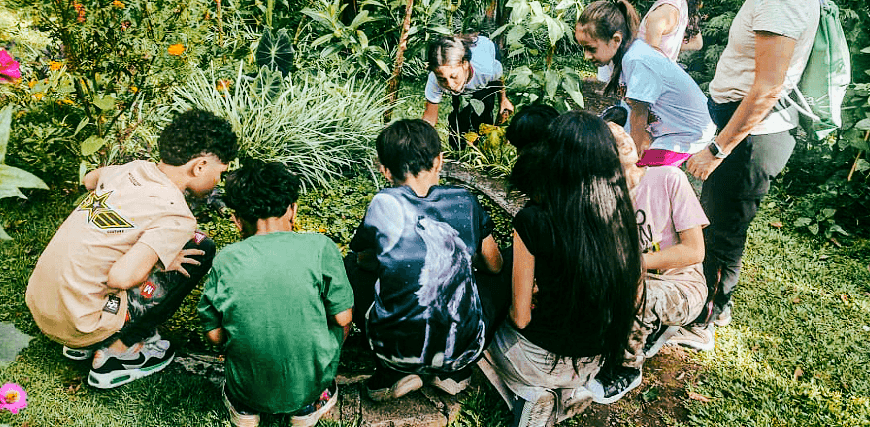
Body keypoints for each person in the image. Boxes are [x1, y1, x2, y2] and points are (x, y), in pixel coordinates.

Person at [674, 0, 822, 350]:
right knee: (718, 218)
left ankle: (705, 320)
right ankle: (709, 306)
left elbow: (766, 88)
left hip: (752, 134)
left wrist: (718, 149)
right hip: (742, 125)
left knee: (722, 227)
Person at [25, 109, 238, 389]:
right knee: (201, 247)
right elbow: (121, 279)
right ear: (199, 167)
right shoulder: (177, 216)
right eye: (219, 173)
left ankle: (84, 340)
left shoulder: (133, 169)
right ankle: (119, 350)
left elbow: (90, 179)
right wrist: (162, 261)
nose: (218, 181)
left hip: (43, 305)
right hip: (82, 322)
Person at [478, 111, 643, 427]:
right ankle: (569, 394)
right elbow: (634, 297)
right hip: (596, 358)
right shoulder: (622, 213)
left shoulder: (533, 220)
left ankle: (530, 392)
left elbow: (521, 316)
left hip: (540, 360)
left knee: (486, 339)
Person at [346, 119, 506, 401]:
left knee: (349, 267)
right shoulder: (465, 200)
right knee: (505, 275)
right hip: (461, 349)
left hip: (393, 351)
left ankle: (394, 373)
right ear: (440, 160)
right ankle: (454, 374)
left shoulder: (383, 204)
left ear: (384, 170)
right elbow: (494, 265)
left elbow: (365, 262)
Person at [198, 160, 353, 427]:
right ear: (292, 209)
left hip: (247, 389)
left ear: (237, 220)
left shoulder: (227, 259)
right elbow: (343, 318)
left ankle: (244, 409)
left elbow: (214, 336)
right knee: (339, 321)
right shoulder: (320, 248)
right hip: (308, 387)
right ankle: (309, 405)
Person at [586, 122, 708, 404]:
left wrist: (635, 263)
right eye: (610, 138)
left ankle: (626, 369)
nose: (622, 137)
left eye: (621, 131)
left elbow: (694, 251)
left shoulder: (668, 178)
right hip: (630, 279)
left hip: (682, 284)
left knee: (634, 294)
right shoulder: (602, 200)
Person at [575, 0, 716, 168]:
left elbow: (638, 116)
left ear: (615, 40)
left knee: (637, 172)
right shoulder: (620, 56)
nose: (586, 56)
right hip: (668, 130)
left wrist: (632, 160)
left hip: (688, 133)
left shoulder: (636, 60)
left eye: (591, 48)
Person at [422, 34, 514, 148]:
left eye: (453, 76)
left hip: (488, 52)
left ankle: (481, 148)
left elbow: (498, 79)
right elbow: (429, 119)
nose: (450, 85)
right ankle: (457, 149)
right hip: (467, 76)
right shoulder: (435, 78)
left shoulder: (486, 71)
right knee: (459, 113)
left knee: (484, 111)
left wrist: (503, 100)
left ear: (465, 64)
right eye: (442, 79)